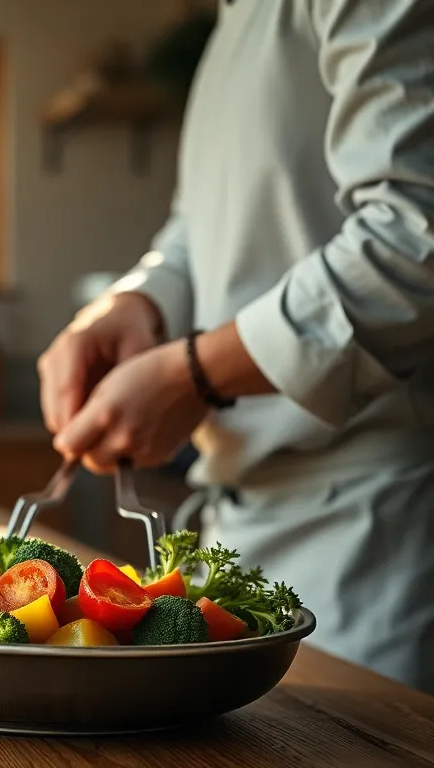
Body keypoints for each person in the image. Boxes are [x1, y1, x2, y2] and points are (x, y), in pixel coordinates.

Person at [38, 0, 434, 694]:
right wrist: (136, 300)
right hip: (241, 532)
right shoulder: (234, 21)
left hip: (374, 530)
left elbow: (415, 236)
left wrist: (195, 372)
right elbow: (199, 225)